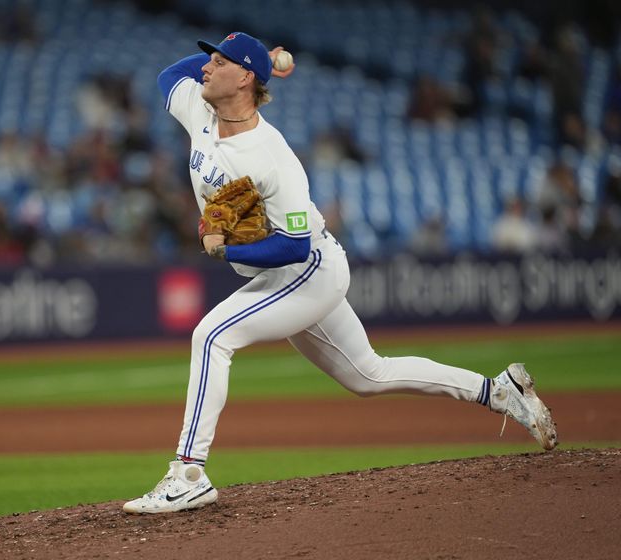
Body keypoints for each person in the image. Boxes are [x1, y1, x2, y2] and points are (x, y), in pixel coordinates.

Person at [122, 32, 558, 515]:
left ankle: (188, 473)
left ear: (243, 79)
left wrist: (223, 248)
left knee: (211, 336)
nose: (204, 67)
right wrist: (260, 56)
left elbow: (292, 245)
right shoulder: (200, 114)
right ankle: (498, 391)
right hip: (287, 273)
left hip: (310, 270)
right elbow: (169, 76)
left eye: (219, 61)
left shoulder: (272, 156)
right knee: (368, 375)